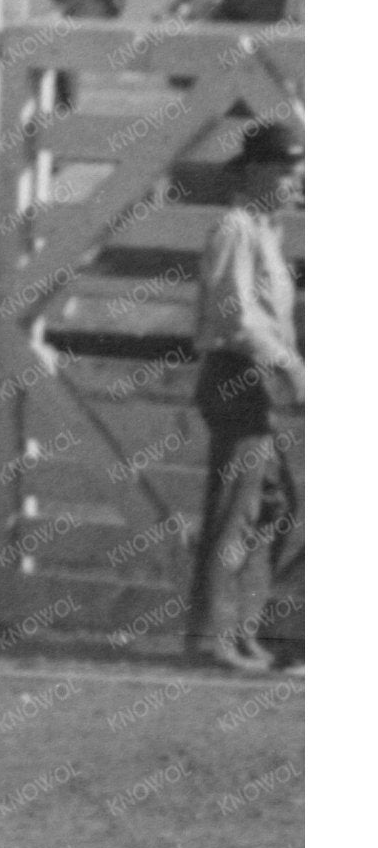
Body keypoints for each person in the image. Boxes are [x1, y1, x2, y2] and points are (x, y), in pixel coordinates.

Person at [186, 119, 301, 674]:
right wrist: (291, 364)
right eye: (285, 172)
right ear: (255, 172)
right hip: (239, 373)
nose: (295, 183)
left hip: (263, 380)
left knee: (271, 507)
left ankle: (243, 629)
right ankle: (211, 637)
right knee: (236, 508)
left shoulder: (264, 232)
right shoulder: (234, 229)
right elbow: (234, 317)